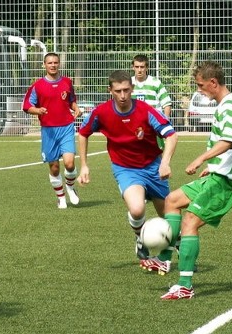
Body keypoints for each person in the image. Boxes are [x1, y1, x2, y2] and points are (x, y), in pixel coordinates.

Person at [140, 61, 232, 300]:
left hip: (229, 181)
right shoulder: (227, 104)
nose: (199, 90)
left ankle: (185, 286)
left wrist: (201, 159)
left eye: (201, 86)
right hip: (219, 173)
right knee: (171, 201)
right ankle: (164, 260)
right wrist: (213, 166)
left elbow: (230, 140)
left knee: (189, 221)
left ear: (213, 83)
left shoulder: (230, 106)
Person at [77, 70, 178, 261]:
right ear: (110, 91)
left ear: (132, 88)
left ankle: (180, 247)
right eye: (118, 91)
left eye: (126, 90)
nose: (122, 96)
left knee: (168, 216)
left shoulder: (145, 110)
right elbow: (83, 133)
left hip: (153, 166)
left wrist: (165, 163)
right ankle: (140, 238)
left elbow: (171, 135)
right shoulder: (101, 112)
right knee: (137, 209)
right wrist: (84, 165)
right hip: (125, 169)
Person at [23, 52, 81, 209]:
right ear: (44, 65)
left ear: (59, 64)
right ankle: (60, 197)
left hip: (66, 127)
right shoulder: (37, 86)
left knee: (69, 163)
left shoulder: (67, 82)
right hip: (48, 130)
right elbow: (27, 106)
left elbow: (71, 101)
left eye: (55, 62)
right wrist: (38, 111)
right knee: (54, 167)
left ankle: (70, 187)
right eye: (50, 63)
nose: (53, 65)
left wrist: (76, 108)